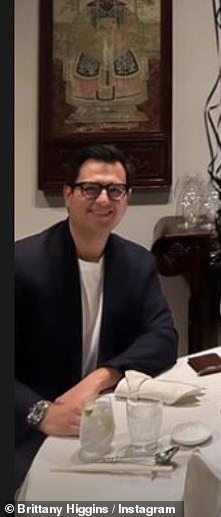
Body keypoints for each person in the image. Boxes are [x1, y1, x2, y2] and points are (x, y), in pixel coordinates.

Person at [15, 144, 178, 490]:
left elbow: (163, 337)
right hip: (31, 430)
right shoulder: (22, 264)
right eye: (91, 188)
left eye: (115, 190)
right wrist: (40, 413)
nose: (103, 199)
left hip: (109, 421)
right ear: (67, 194)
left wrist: (101, 377)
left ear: (127, 198)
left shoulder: (137, 263)